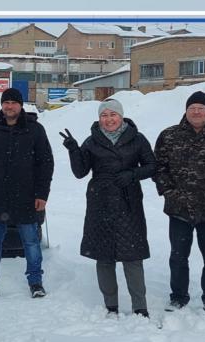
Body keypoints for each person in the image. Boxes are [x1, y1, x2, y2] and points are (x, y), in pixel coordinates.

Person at [63, 99, 157, 318]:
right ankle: (111, 305)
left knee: (132, 256)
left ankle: (140, 306)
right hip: (100, 202)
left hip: (128, 201)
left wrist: (132, 174)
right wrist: (74, 150)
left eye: (113, 115)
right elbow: (80, 172)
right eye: (104, 115)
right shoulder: (92, 141)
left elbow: (152, 166)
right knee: (104, 256)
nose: (109, 119)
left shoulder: (137, 138)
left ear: (121, 117)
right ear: (99, 119)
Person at [153, 91, 205, 312]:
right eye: (192, 108)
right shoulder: (169, 135)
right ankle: (178, 297)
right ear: (186, 110)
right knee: (178, 257)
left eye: (201, 108)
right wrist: (169, 192)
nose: (197, 112)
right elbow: (159, 168)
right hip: (178, 207)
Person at [0, 88, 55, 298]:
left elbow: (46, 164)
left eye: (13, 103)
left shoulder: (35, 130)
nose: (9, 106)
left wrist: (42, 194)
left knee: (31, 242)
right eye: (5, 102)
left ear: (21, 105)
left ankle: (35, 282)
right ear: (2, 105)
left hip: (27, 197)